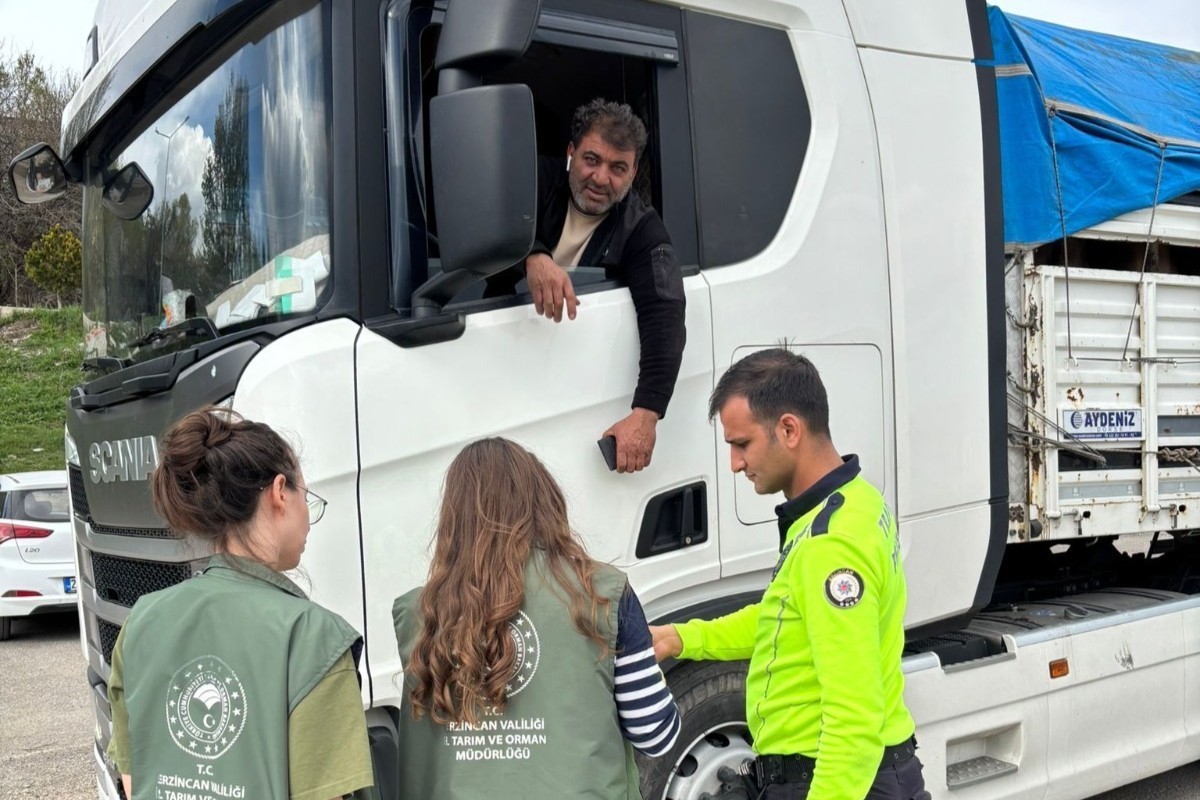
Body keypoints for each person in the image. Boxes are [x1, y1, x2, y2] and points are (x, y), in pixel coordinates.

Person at [651, 349, 929, 800]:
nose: (735, 464)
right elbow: (783, 621)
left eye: (742, 444)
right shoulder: (855, 500)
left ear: (788, 429)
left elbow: (853, 718)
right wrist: (681, 638)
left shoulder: (830, 543)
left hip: (833, 779)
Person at [106, 408, 374, 800]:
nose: (307, 517)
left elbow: (134, 784)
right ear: (280, 492)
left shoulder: (141, 622)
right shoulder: (313, 639)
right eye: (307, 496)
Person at [392, 437, 681, 798]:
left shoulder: (419, 612)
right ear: (544, 501)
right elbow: (655, 735)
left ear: (454, 518)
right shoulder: (601, 592)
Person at [485, 99, 686, 474]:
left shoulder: (642, 229)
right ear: (570, 152)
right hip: (492, 362)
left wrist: (646, 414)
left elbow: (665, 312)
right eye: (591, 160)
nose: (600, 178)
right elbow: (483, 226)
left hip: (570, 383)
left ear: (633, 172)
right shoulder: (534, 181)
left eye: (617, 168)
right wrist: (532, 254)